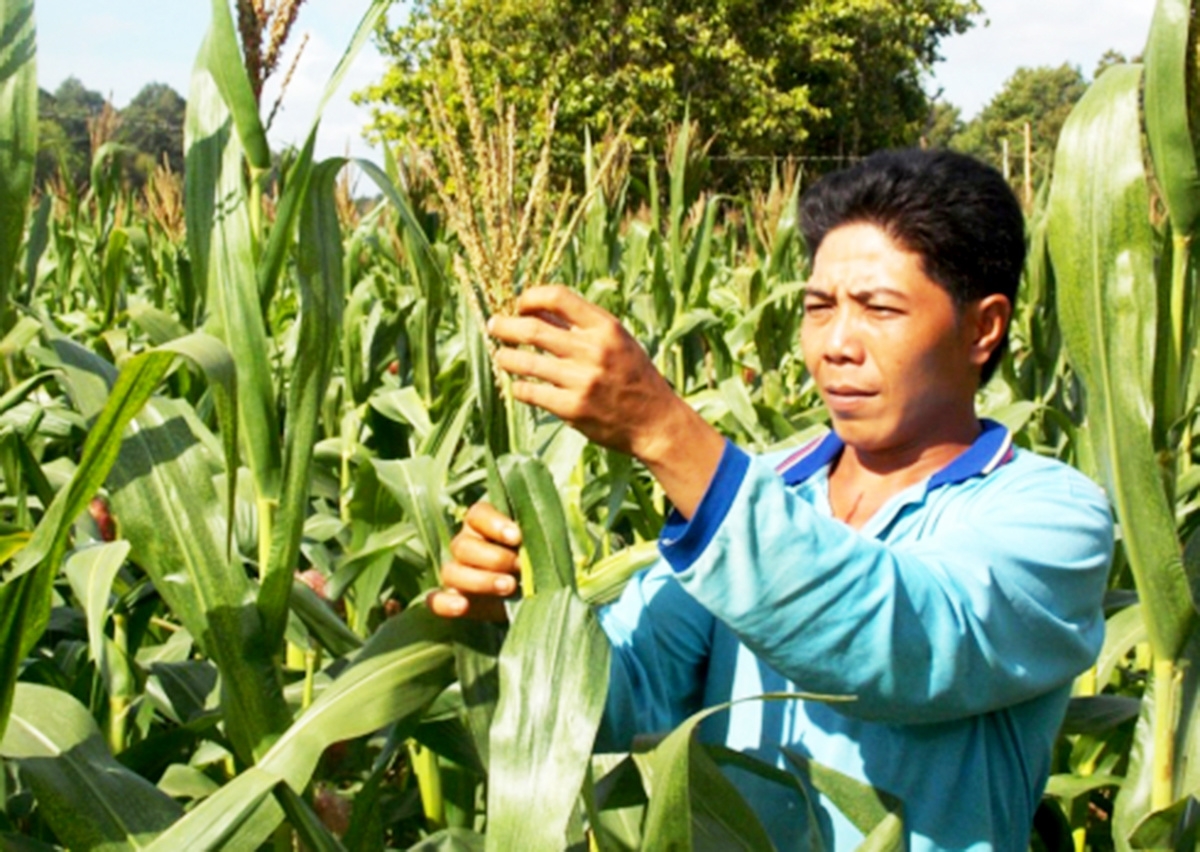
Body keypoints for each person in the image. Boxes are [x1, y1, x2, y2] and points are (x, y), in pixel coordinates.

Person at [429, 148, 1113, 851]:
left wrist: (666, 432)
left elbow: (897, 643)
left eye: (879, 308)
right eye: (819, 308)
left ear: (983, 328)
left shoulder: (1054, 518)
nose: (836, 345)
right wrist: (513, 622)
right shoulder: (763, 485)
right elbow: (624, 696)